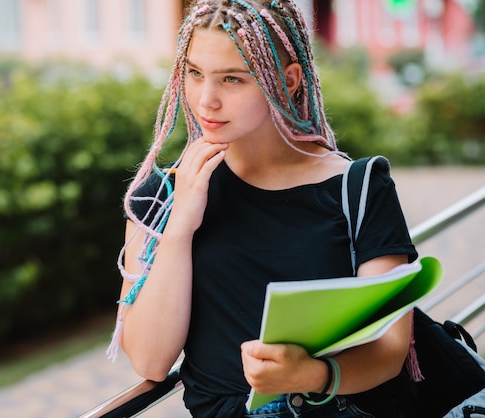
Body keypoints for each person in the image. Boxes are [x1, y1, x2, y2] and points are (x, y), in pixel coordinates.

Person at [107, 0, 419, 416]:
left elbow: (392, 349)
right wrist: (181, 223)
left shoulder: (358, 187)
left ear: (289, 80)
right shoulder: (160, 195)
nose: (206, 101)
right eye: (195, 74)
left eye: (232, 79)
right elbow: (149, 360)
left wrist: (311, 374)